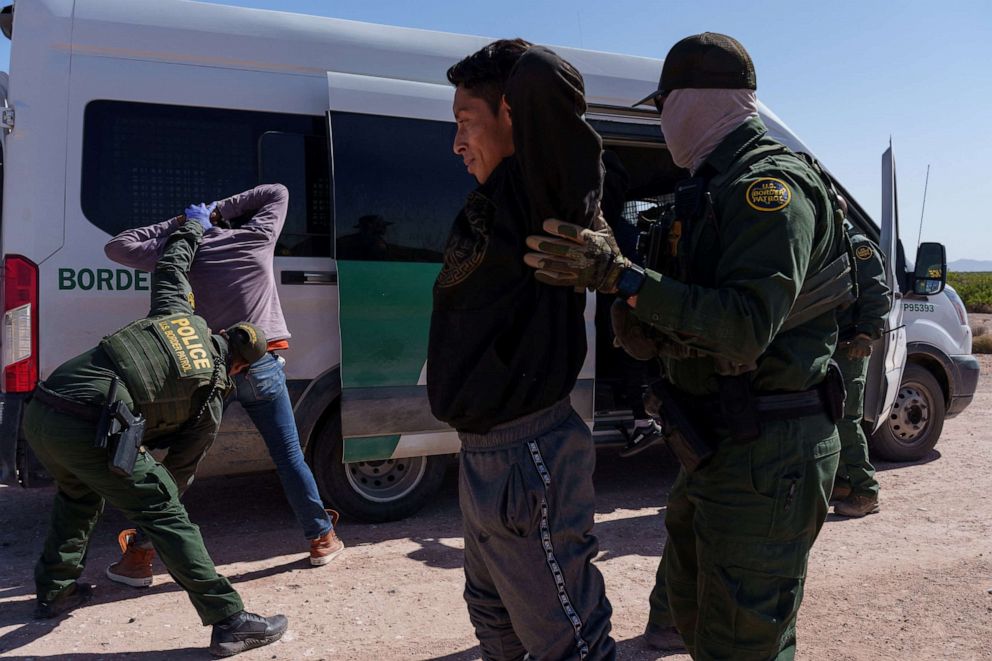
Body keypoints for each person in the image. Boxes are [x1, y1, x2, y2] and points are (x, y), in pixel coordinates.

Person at [524, 33, 852, 659]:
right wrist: (644, 319)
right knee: (698, 618)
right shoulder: (712, 188)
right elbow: (700, 312)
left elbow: (744, 326)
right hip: (719, 444)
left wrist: (622, 276)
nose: (662, 120)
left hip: (768, 450)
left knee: (744, 641)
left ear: (697, 101)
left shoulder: (768, 189)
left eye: (663, 104)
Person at [427, 39, 616, 659]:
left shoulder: (541, 191)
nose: (455, 144)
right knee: (495, 624)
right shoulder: (493, 197)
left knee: (568, 639)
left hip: (526, 453)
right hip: (484, 455)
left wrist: (511, 74)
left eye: (465, 122)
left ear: (511, 113)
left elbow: (541, 75)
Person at [26, 215, 287, 657]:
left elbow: (171, 266)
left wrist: (192, 227)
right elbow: (179, 472)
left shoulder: (177, 313)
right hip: (89, 423)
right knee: (166, 510)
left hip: (42, 410)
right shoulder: (212, 395)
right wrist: (155, 515)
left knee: (78, 495)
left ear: (222, 333)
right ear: (240, 366)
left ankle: (56, 590)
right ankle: (230, 621)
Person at [105, 185, 343, 582]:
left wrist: (186, 222)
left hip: (209, 370)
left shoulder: (185, 250)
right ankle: (321, 538)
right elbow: (277, 192)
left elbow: (119, 246)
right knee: (288, 456)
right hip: (261, 366)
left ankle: (139, 558)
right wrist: (217, 209)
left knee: (181, 464)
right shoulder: (257, 238)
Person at [832, 228, 889, 517]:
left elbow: (877, 292)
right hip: (828, 343)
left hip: (850, 345)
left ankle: (866, 491)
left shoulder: (857, 246)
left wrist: (866, 334)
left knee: (846, 419)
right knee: (828, 416)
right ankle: (843, 482)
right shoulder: (825, 241)